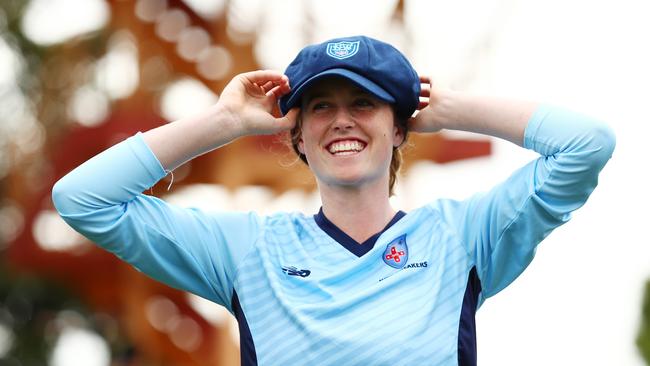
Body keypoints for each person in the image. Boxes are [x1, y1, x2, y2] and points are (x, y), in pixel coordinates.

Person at [52, 35, 615, 365]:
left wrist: (453, 110)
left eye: (365, 103)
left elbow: (587, 145)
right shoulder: (249, 250)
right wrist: (223, 121)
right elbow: (82, 199)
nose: (342, 119)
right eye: (320, 106)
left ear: (400, 128)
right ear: (297, 135)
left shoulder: (463, 236)